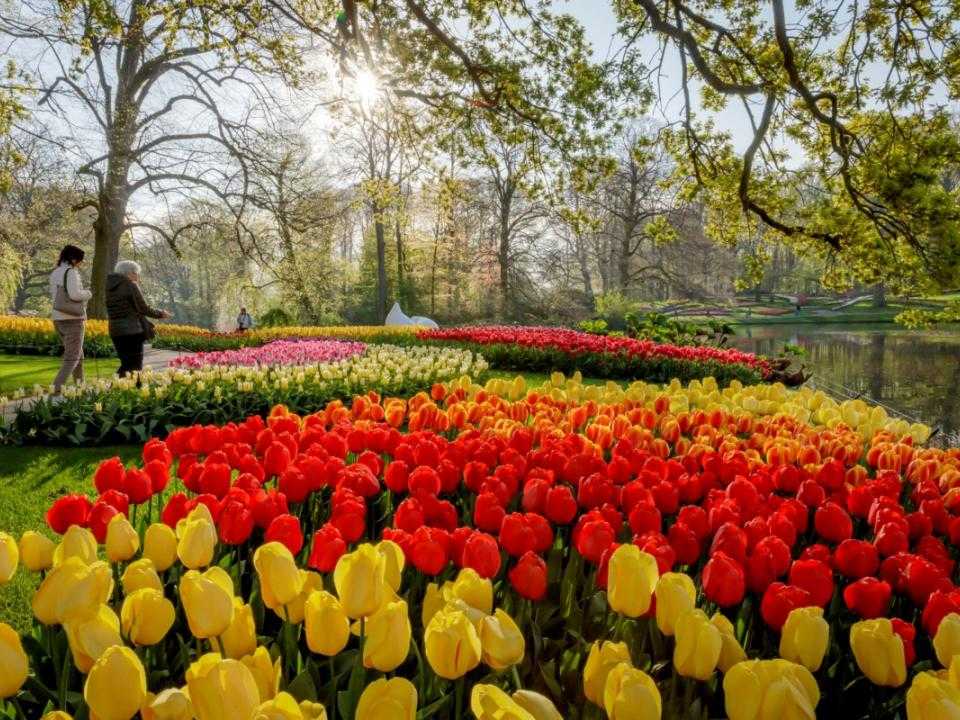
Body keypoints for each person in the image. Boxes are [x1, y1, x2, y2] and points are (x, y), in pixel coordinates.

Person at [105, 260, 170, 378]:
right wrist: (161, 314)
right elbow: (143, 308)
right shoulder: (130, 285)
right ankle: (128, 390)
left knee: (127, 364)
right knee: (135, 366)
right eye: (136, 273)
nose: (137, 276)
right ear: (129, 273)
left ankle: (119, 390)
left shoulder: (109, 286)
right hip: (132, 330)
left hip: (115, 331)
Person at [49, 244, 93, 393]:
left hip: (58, 319)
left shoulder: (55, 272)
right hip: (72, 319)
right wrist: (87, 293)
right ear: (73, 259)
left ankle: (82, 390)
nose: (80, 264)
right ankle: (55, 391)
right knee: (72, 358)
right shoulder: (71, 272)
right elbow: (74, 295)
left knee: (78, 357)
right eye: (80, 260)